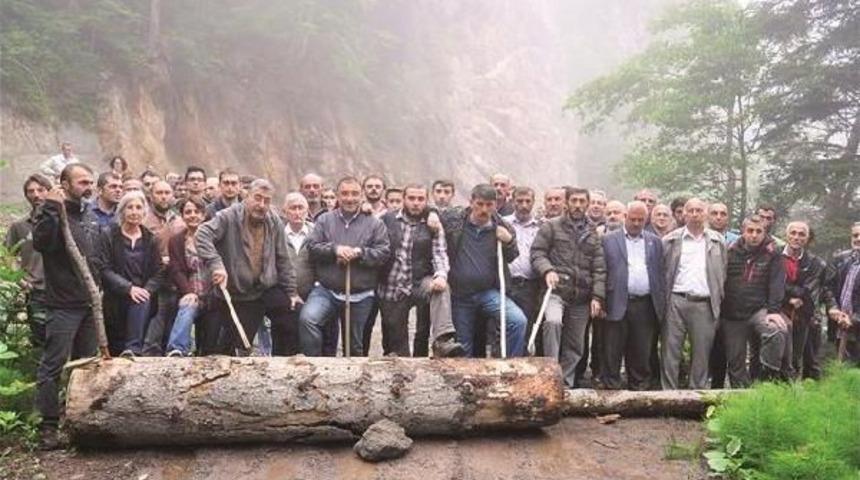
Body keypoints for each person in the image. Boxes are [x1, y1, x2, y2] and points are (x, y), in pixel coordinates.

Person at [32, 163, 100, 450]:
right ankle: (48, 427)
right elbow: (42, 243)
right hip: (63, 305)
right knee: (53, 366)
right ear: (65, 183)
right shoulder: (52, 211)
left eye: (90, 182)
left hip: (89, 303)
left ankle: (80, 422)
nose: (88, 186)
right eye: (82, 182)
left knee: (85, 364)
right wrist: (50, 208)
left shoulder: (86, 213)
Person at [196, 179, 300, 355]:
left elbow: (283, 258)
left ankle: (284, 364)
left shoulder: (274, 221)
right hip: (237, 292)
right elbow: (202, 235)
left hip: (265, 288)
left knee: (290, 312)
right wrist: (216, 264)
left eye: (266, 200)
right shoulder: (227, 217)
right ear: (246, 197)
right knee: (233, 345)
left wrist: (291, 292)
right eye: (257, 198)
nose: (261, 205)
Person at [299, 176, 390, 356]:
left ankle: (353, 378)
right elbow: (312, 247)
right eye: (345, 194)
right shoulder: (325, 220)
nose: (350, 198)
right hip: (326, 290)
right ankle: (315, 364)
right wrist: (335, 250)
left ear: (361, 195)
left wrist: (359, 253)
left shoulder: (374, 223)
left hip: (360, 294)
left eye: (355, 193)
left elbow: (383, 252)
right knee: (308, 319)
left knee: (354, 345)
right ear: (337, 196)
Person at [531, 187, 606, 387]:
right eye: (574, 201)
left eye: (582, 201)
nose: (578, 205)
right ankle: (550, 374)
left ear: (588, 204)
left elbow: (599, 268)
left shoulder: (593, 233)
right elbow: (537, 253)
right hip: (555, 291)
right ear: (567, 202)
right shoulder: (551, 227)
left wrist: (597, 297)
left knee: (576, 344)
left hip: (582, 296)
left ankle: (565, 383)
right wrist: (547, 270)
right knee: (553, 323)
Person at [377, 184, 464, 357]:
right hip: (392, 287)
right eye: (411, 198)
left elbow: (440, 253)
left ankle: (443, 340)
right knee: (397, 347)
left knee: (442, 289)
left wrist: (441, 276)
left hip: (419, 282)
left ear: (426, 201)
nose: (416, 203)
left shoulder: (433, 224)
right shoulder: (386, 220)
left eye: (420, 199)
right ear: (403, 199)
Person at [441, 184, 526, 357]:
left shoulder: (503, 226)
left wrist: (508, 241)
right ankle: (465, 380)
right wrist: (431, 215)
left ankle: (512, 366)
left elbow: (512, 256)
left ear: (495, 205)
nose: (484, 209)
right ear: (471, 202)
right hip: (460, 294)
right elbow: (432, 210)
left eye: (489, 205)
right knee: (463, 345)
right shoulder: (455, 220)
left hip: (488, 293)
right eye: (479, 204)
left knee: (517, 320)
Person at [660, 198, 727, 390]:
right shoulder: (671, 240)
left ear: (705, 213)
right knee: (671, 350)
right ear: (684, 214)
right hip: (676, 300)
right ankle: (668, 395)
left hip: (705, 303)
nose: (695, 214)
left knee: (701, 352)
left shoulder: (717, 241)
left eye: (699, 210)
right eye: (691, 210)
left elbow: (723, 270)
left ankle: (696, 394)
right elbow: (663, 269)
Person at [601, 201, 665, 390]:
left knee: (641, 349)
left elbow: (659, 273)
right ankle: (611, 388)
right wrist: (600, 299)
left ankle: (639, 389)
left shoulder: (655, 242)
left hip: (645, 304)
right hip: (617, 301)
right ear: (625, 217)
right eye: (633, 219)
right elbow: (601, 270)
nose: (636, 223)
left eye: (641, 220)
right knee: (612, 348)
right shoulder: (608, 240)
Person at [94, 191, 165, 357]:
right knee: (114, 348)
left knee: (141, 301)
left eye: (139, 207)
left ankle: (133, 349)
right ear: (122, 211)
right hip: (115, 297)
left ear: (144, 212)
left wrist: (147, 290)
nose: (134, 212)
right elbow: (103, 268)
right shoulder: (109, 235)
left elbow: (159, 271)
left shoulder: (150, 239)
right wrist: (128, 288)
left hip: (142, 299)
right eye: (130, 207)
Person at [720, 215, 788, 387]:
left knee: (776, 330)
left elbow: (777, 283)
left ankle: (767, 379)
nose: (754, 235)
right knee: (735, 362)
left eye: (759, 231)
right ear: (743, 231)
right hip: (731, 313)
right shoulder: (729, 251)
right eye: (750, 231)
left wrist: (773, 311)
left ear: (765, 233)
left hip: (759, 310)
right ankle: (740, 397)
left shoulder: (773, 254)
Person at [5, 174, 52, 347]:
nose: (36, 195)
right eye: (31, 191)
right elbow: (7, 254)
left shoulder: (63, 222)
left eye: (41, 190)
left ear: (50, 191)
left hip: (63, 290)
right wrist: (19, 278)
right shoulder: (20, 226)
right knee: (40, 337)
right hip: (36, 289)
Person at [141, 180, 184, 355]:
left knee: (172, 326)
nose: (164, 196)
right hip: (153, 282)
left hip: (176, 281)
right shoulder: (143, 219)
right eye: (159, 193)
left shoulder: (179, 221)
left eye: (167, 192)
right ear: (151, 196)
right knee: (153, 328)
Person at [165, 197, 212, 356]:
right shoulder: (176, 241)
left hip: (214, 294)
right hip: (191, 293)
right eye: (188, 212)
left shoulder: (215, 238)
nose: (193, 215)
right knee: (188, 305)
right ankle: (177, 349)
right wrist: (188, 292)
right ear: (182, 215)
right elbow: (176, 270)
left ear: (204, 214)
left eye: (197, 212)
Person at [781, 221, 827, 379]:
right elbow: (771, 284)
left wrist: (791, 292)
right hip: (776, 311)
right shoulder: (775, 256)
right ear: (786, 235)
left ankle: (792, 391)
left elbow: (808, 290)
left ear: (807, 238)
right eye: (793, 233)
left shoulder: (816, 263)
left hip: (802, 316)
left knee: (796, 357)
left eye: (801, 234)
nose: (796, 237)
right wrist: (789, 298)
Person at [503, 186, 543, 355]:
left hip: (529, 285)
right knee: (503, 325)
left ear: (533, 203)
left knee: (526, 325)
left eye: (528, 201)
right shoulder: (502, 223)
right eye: (520, 201)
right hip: (506, 282)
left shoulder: (541, 227)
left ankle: (520, 365)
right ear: (513, 202)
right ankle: (500, 364)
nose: (524, 205)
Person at [280, 193, 316, 356]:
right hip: (284, 295)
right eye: (292, 208)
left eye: (300, 208)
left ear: (307, 211)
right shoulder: (277, 234)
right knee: (285, 337)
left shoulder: (316, 233)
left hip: (312, 293)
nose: (297, 212)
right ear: (285, 211)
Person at [823, 222, 860, 365]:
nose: (858, 239)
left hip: (855, 325)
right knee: (840, 372)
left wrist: (854, 319)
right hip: (839, 326)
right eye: (855, 235)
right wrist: (832, 307)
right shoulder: (841, 260)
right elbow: (828, 286)